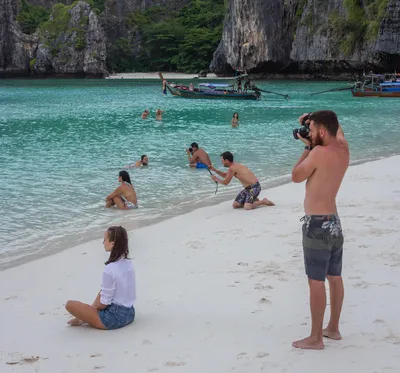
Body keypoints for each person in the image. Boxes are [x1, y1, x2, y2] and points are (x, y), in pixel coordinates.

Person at [291, 110, 349, 350]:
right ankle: (333, 328)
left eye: (313, 130)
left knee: (315, 281)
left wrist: (306, 147)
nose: (310, 133)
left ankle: (315, 337)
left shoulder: (317, 153)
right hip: (334, 222)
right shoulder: (343, 149)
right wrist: (312, 119)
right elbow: (336, 126)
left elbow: (295, 176)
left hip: (316, 225)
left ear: (322, 132)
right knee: (334, 276)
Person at [65, 226, 136, 330]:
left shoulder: (110, 269)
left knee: (69, 305)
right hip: (130, 313)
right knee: (103, 290)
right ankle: (86, 316)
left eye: (105, 240)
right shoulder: (128, 263)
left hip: (114, 318)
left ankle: (84, 318)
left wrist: (92, 310)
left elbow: (104, 303)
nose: (103, 243)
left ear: (112, 244)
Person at [210, 151, 274, 210]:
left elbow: (225, 182)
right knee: (235, 205)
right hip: (247, 189)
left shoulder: (232, 168)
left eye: (222, 160)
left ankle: (264, 201)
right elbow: (225, 175)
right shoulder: (234, 166)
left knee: (247, 207)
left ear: (226, 160)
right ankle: (253, 200)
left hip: (254, 187)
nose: (222, 162)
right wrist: (214, 170)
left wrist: (216, 179)